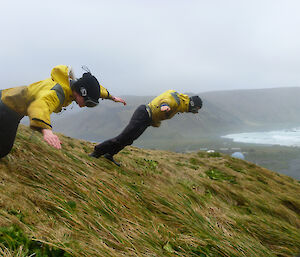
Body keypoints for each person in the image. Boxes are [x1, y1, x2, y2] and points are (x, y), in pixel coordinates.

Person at [0, 65, 126, 158]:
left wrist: (111, 97)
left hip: (10, 104)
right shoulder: (58, 92)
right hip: (6, 107)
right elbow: (40, 106)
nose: (83, 106)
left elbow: (96, 90)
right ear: (81, 91)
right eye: (87, 103)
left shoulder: (72, 86)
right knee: (3, 149)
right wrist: (46, 131)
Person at [90, 90, 202, 166]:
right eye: (196, 109)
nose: (195, 112)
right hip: (143, 114)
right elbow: (167, 100)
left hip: (147, 118)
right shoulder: (177, 101)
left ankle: (109, 155)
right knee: (123, 137)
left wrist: (156, 121)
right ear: (192, 104)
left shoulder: (180, 102)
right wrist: (164, 106)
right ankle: (97, 152)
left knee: (129, 140)